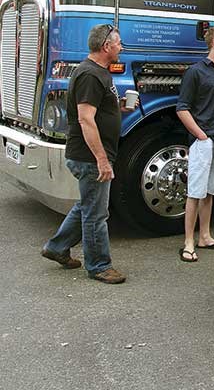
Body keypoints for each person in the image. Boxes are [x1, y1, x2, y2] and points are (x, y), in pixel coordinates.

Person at [41, 23, 136, 284]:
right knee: (96, 214)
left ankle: (57, 247)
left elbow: (95, 110)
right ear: (106, 46)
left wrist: (118, 108)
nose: (121, 48)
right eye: (118, 44)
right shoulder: (90, 75)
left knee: (87, 205)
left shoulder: (99, 73)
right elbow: (85, 119)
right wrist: (102, 160)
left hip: (90, 156)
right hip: (89, 157)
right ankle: (98, 265)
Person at [176, 26, 214, 262]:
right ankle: (188, 242)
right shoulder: (196, 72)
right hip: (205, 140)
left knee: (210, 191)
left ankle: (205, 236)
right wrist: (201, 136)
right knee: (195, 192)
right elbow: (182, 108)